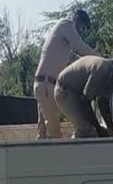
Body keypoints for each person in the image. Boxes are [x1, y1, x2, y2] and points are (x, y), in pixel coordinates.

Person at [34, 9, 100, 139]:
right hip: (48, 85)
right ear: (76, 19)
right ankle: (55, 159)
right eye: (81, 27)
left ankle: (39, 158)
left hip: (43, 84)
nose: (81, 32)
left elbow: (74, 59)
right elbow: (80, 47)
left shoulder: (62, 37)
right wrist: (99, 58)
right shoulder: (67, 24)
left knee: (42, 132)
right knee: (54, 133)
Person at [54, 56, 113, 138]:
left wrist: (111, 130)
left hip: (73, 91)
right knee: (86, 130)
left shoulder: (110, 74)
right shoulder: (101, 72)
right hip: (65, 89)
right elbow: (85, 102)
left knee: (89, 129)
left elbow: (103, 104)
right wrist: (99, 129)